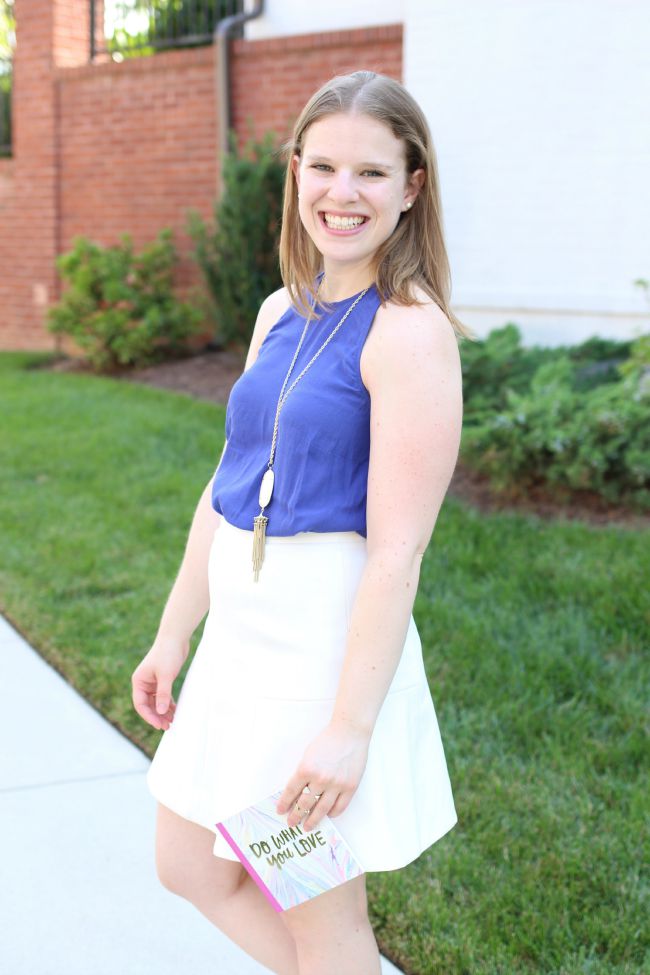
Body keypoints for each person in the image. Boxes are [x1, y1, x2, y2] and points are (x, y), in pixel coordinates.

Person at [132, 69, 475, 975]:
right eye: (322, 167)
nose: (341, 193)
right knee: (188, 866)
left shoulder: (409, 331)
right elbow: (228, 480)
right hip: (240, 652)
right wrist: (175, 634)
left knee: (321, 920)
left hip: (315, 666)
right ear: (295, 173)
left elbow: (397, 553)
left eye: (370, 173)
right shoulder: (281, 310)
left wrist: (347, 728)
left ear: (412, 186)